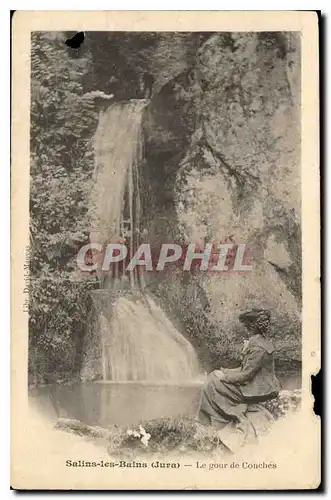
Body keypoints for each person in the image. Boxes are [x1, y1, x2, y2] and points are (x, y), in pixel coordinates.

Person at [197, 309, 280, 446]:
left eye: (246, 326)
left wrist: (225, 378)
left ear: (252, 327)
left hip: (259, 389)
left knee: (212, 384)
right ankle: (212, 420)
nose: (244, 330)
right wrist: (225, 372)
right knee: (214, 377)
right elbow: (246, 369)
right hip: (261, 384)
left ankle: (218, 422)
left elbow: (246, 375)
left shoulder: (257, 347)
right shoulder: (261, 342)